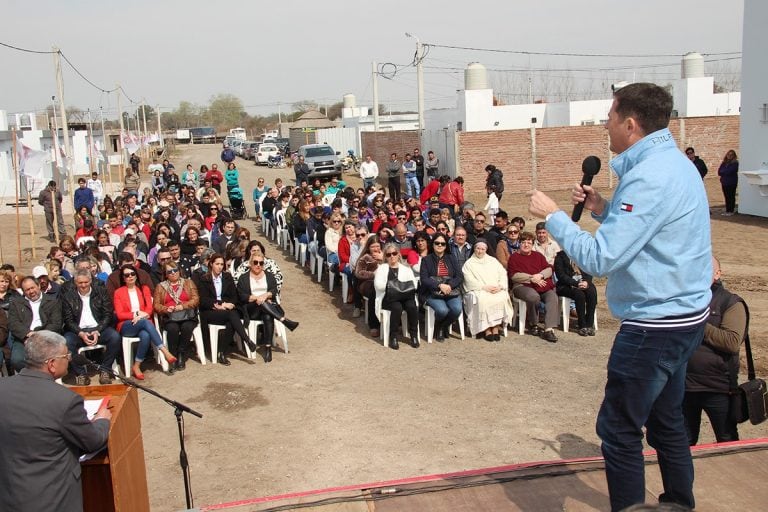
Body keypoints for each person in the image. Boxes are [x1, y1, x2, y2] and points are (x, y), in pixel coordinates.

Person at [528, 82, 712, 511]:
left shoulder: (648, 176)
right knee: (666, 421)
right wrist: (603, 208)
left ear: (630, 124)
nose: (604, 126)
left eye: (609, 118)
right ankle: (678, 503)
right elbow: (655, 231)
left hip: (654, 326)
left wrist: (554, 216)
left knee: (619, 429)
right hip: (685, 317)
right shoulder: (676, 164)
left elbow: (600, 258)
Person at [0, 330, 111, 512]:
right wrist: (102, 421)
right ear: (51, 364)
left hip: (9, 497)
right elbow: (91, 441)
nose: (69, 358)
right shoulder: (65, 401)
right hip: (53, 499)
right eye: (66, 355)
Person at [684, 256, 747, 445]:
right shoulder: (683, 299)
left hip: (718, 387)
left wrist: (698, 322)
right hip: (684, 385)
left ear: (718, 274)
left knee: (726, 440)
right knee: (683, 443)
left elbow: (732, 342)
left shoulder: (731, 302)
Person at [114, 264, 176, 379]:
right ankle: (164, 350)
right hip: (127, 325)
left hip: (143, 323)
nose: (130, 277)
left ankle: (136, 365)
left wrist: (143, 315)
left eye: (132, 274)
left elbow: (150, 308)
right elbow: (119, 314)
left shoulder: (144, 289)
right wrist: (136, 314)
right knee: (146, 322)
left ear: (136, 275)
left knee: (146, 335)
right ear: (123, 278)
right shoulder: (118, 292)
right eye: (127, 275)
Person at [192, 253, 254, 365]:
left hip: (227, 311)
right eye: (217, 264)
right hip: (210, 311)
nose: (220, 267)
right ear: (211, 264)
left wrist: (228, 304)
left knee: (231, 319)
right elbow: (203, 300)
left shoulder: (227, 277)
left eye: (222, 264)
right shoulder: (204, 279)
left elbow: (234, 296)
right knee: (232, 315)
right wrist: (221, 304)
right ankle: (247, 339)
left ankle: (222, 353)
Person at [62, 269, 121, 385]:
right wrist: (80, 333)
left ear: (90, 281)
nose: (83, 285)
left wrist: (98, 330)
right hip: (78, 331)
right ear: (75, 283)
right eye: (80, 283)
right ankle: (80, 374)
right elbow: (68, 320)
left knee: (115, 337)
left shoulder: (100, 292)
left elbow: (107, 314)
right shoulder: (68, 297)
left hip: (99, 328)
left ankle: (105, 369)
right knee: (67, 342)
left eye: (86, 282)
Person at [237, 255, 299, 363]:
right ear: (250, 264)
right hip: (251, 309)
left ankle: (268, 347)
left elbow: (274, 290)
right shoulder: (244, 278)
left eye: (261, 263)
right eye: (255, 262)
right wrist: (258, 298)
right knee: (263, 303)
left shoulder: (269, 276)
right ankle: (284, 320)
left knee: (267, 315)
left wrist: (265, 296)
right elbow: (243, 296)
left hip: (266, 308)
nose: (258, 265)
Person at [508, 232, 559, 342]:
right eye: (523, 242)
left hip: (541, 284)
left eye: (529, 243)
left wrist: (540, 275)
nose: (526, 245)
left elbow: (549, 269)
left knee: (552, 296)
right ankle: (533, 323)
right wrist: (532, 278)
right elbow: (514, 275)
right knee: (533, 296)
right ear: (519, 243)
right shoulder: (514, 257)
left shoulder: (538, 256)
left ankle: (548, 329)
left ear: (532, 244)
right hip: (522, 286)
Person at [462, 239, 515, 341]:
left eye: (482, 249)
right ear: (474, 249)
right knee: (483, 300)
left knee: (502, 297)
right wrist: (484, 287)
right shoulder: (469, 263)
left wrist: (500, 286)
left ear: (486, 249)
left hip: (496, 289)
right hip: (479, 289)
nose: (480, 251)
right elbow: (468, 280)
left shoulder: (493, 261)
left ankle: (495, 327)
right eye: (478, 248)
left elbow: (502, 274)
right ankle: (486, 329)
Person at [8, 276, 62, 372]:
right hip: (24, 338)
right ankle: (31, 379)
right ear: (24, 292)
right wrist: (27, 334)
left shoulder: (52, 301)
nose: (31, 291)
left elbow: (56, 323)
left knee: (49, 360)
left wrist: (39, 335)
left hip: (46, 337)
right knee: (17, 360)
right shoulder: (16, 303)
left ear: (38, 286)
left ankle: (44, 378)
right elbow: (13, 323)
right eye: (27, 290)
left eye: (32, 288)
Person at [153, 261, 199, 371]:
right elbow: (156, 305)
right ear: (166, 274)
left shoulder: (188, 283)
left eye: (175, 270)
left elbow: (196, 299)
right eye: (169, 271)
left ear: (179, 271)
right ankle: (172, 355)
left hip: (187, 315)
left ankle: (181, 354)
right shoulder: (161, 287)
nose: (173, 273)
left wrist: (183, 306)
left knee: (186, 327)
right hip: (170, 317)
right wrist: (166, 309)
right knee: (173, 329)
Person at [374, 242, 419, 349]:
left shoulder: (406, 269)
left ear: (398, 254)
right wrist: (393, 287)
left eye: (394, 253)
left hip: (405, 296)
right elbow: (378, 285)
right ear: (385, 256)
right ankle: (393, 336)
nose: (392, 256)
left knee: (412, 306)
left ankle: (413, 335)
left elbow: (414, 284)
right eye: (388, 255)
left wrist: (398, 287)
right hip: (389, 297)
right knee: (397, 307)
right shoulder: (382, 268)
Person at [419, 233, 463, 342]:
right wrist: (439, 285)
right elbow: (424, 279)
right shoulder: (426, 260)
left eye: (442, 243)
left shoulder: (452, 258)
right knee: (442, 310)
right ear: (432, 244)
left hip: (450, 290)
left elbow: (459, 276)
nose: (439, 245)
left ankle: (441, 326)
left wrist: (449, 285)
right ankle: (440, 328)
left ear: (446, 246)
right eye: (437, 243)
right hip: (432, 292)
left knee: (457, 309)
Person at [554, 250, 597, 336]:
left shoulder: (583, 255)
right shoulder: (560, 256)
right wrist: (575, 283)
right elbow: (561, 275)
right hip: (566, 285)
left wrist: (586, 282)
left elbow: (589, 271)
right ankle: (582, 325)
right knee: (579, 294)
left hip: (582, 282)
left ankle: (589, 323)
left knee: (592, 291)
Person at [354, 235, 384, 337]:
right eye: (373, 247)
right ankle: (374, 325)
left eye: (377, 246)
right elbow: (358, 272)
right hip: (367, 283)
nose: (376, 249)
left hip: (383, 281)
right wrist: (373, 274)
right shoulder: (365, 258)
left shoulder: (385, 255)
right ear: (368, 247)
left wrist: (383, 258)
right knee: (374, 292)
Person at [718, 149, 739, 216]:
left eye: (731, 155)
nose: (729, 156)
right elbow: (719, 172)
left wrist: (724, 171)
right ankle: (727, 210)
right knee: (726, 196)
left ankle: (731, 210)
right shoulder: (724, 163)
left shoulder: (735, 163)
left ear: (734, 156)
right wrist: (724, 172)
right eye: (728, 154)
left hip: (731, 182)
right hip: (724, 182)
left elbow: (730, 171)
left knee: (731, 196)